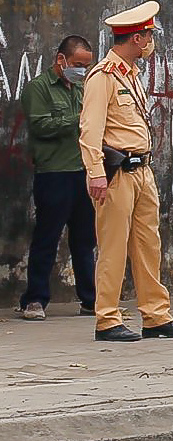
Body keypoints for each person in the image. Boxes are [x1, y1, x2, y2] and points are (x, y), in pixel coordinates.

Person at [79, 2, 173, 343]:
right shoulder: (103, 77)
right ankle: (107, 319)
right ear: (136, 39)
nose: (151, 42)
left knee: (149, 245)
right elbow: (90, 130)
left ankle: (156, 315)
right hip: (116, 173)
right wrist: (96, 173)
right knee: (113, 247)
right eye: (148, 36)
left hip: (142, 170)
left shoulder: (130, 75)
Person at [17, 35, 97, 321]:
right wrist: (79, 119)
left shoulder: (80, 88)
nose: (81, 71)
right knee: (47, 237)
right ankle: (35, 300)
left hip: (82, 172)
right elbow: (41, 126)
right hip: (54, 173)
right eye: (77, 64)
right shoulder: (38, 89)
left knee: (85, 240)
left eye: (85, 66)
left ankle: (90, 299)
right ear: (60, 59)